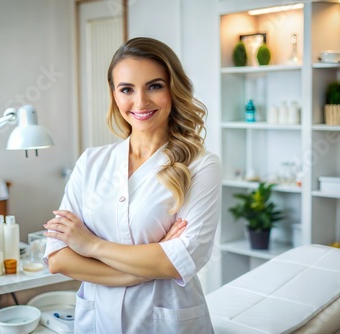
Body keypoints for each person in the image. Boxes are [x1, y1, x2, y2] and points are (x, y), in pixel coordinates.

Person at [44, 37, 221, 333]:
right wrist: (146, 265)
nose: (140, 102)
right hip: (97, 320)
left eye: (154, 86)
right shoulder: (91, 162)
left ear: (173, 89)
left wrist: (90, 245)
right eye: (127, 89)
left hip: (166, 322)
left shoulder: (201, 165)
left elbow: (179, 262)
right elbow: (59, 259)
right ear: (114, 94)